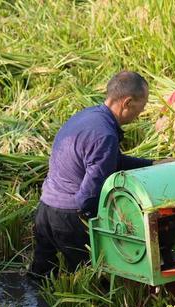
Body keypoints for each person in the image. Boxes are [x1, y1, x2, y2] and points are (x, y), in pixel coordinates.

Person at [30, 71, 154, 277]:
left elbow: (113, 161)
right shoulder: (105, 135)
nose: (142, 112)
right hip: (68, 218)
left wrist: (152, 164)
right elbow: (88, 197)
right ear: (128, 102)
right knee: (88, 281)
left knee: (40, 276)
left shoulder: (88, 117)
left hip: (45, 210)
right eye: (142, 105)